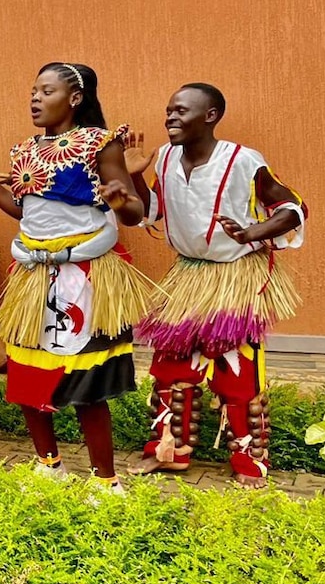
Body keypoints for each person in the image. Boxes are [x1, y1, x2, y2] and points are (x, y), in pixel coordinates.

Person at [0, 62, 148, 494]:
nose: (35, 98)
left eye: (46, 91)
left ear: (75, 98)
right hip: (32, 275)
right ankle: (49, 464)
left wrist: (121, 200)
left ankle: (106, 480)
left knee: (87, 384)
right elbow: (24, 210)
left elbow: (135, 211)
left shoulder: (101, 144)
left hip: (86, 273)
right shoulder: (24, 149)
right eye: (33, 90)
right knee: (27, 376)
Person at [124, 84, 306, 488]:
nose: (170, 117)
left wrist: (251, 232)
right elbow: (152, 210)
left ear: (210, 116)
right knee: (172, 367)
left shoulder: (243, 160)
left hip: (236, 277)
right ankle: (170, 450)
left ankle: (248, 460)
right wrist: (135, 179)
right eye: (168, 109)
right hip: (188, 276)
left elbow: (292, 207)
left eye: (181, 110)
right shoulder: (167, 158)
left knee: (235, 368)